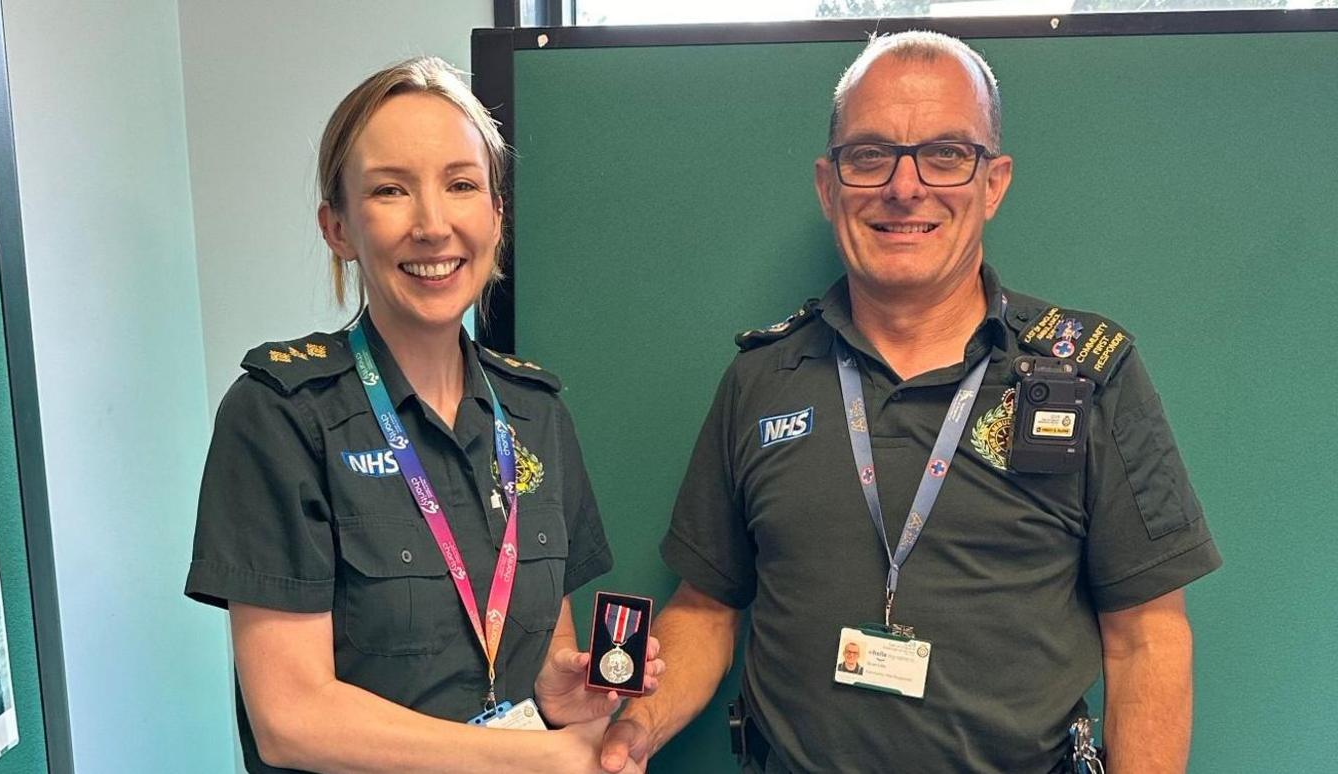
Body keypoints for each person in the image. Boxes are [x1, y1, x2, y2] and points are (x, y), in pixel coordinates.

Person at [600, 31, 1220, 774]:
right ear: (829, 186)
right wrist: (632, 734)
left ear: (994, 182)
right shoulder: (763, 378)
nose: (905, 187)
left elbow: (1147, 638)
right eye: (870, 156)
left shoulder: (1088, 371)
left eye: (947, 153)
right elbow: (707, 609)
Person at [184, 56, 660, 774]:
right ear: (338, 228)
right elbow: (292, 718)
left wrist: (558, 692)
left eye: (462, 185)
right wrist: (535, 760)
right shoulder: (280, 418)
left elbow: (523, 651)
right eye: (390, 191)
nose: (433, 225)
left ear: (496, 217)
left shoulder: (536, 415)